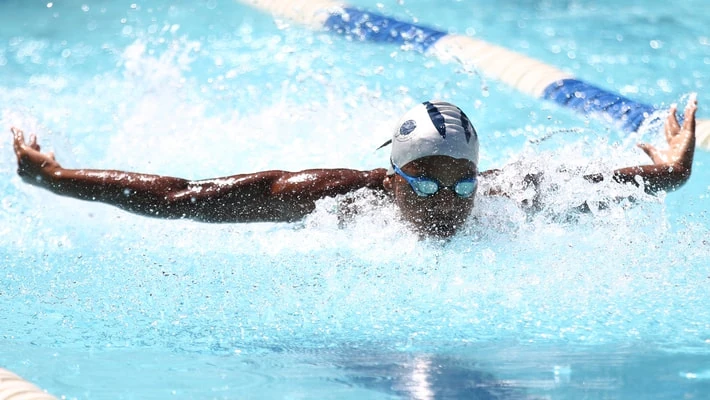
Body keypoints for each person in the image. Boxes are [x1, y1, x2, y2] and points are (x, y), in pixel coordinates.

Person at [11, 96, 698, 238]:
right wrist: (58, 178)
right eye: (424, 182)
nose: (447, 202)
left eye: (462, 182)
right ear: (393, 177)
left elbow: (643, 184)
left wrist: (674, 167)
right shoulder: (334, 198)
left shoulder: (504, 195)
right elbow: (182, 195)